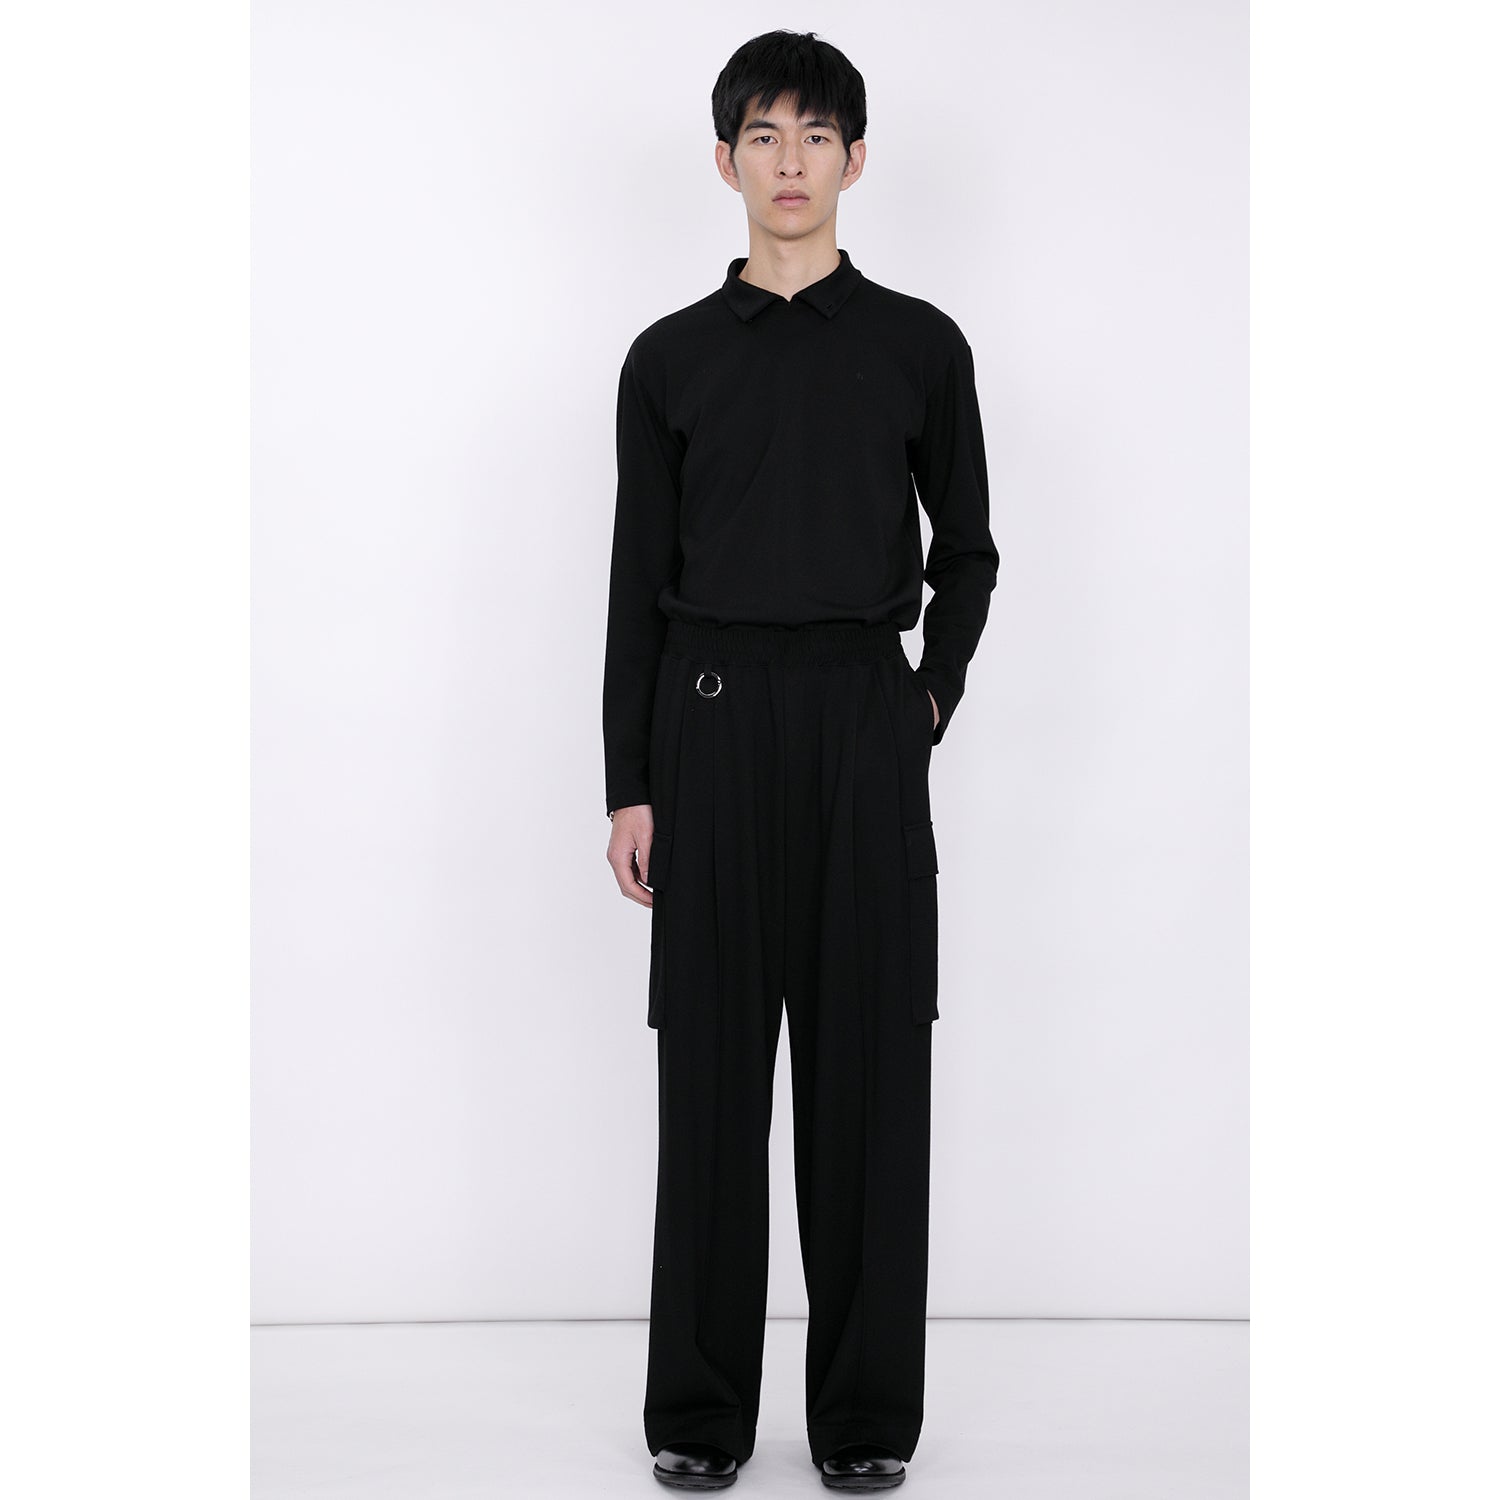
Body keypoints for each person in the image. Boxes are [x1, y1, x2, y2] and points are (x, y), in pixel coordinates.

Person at [602, 28, 999, 1493]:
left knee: (869, 1080)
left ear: (855, 160)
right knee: (711, 1082)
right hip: (707, 724)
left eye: (816, 136)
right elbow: (637, 582)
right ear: (726, 162)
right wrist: (630, 782)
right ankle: (699, 1420)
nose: (790, 161)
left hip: (862, 724)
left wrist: (926, 700)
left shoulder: (920, 346)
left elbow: (967, 553)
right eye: (763, 136)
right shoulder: (669, 359)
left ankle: (866, 1426)